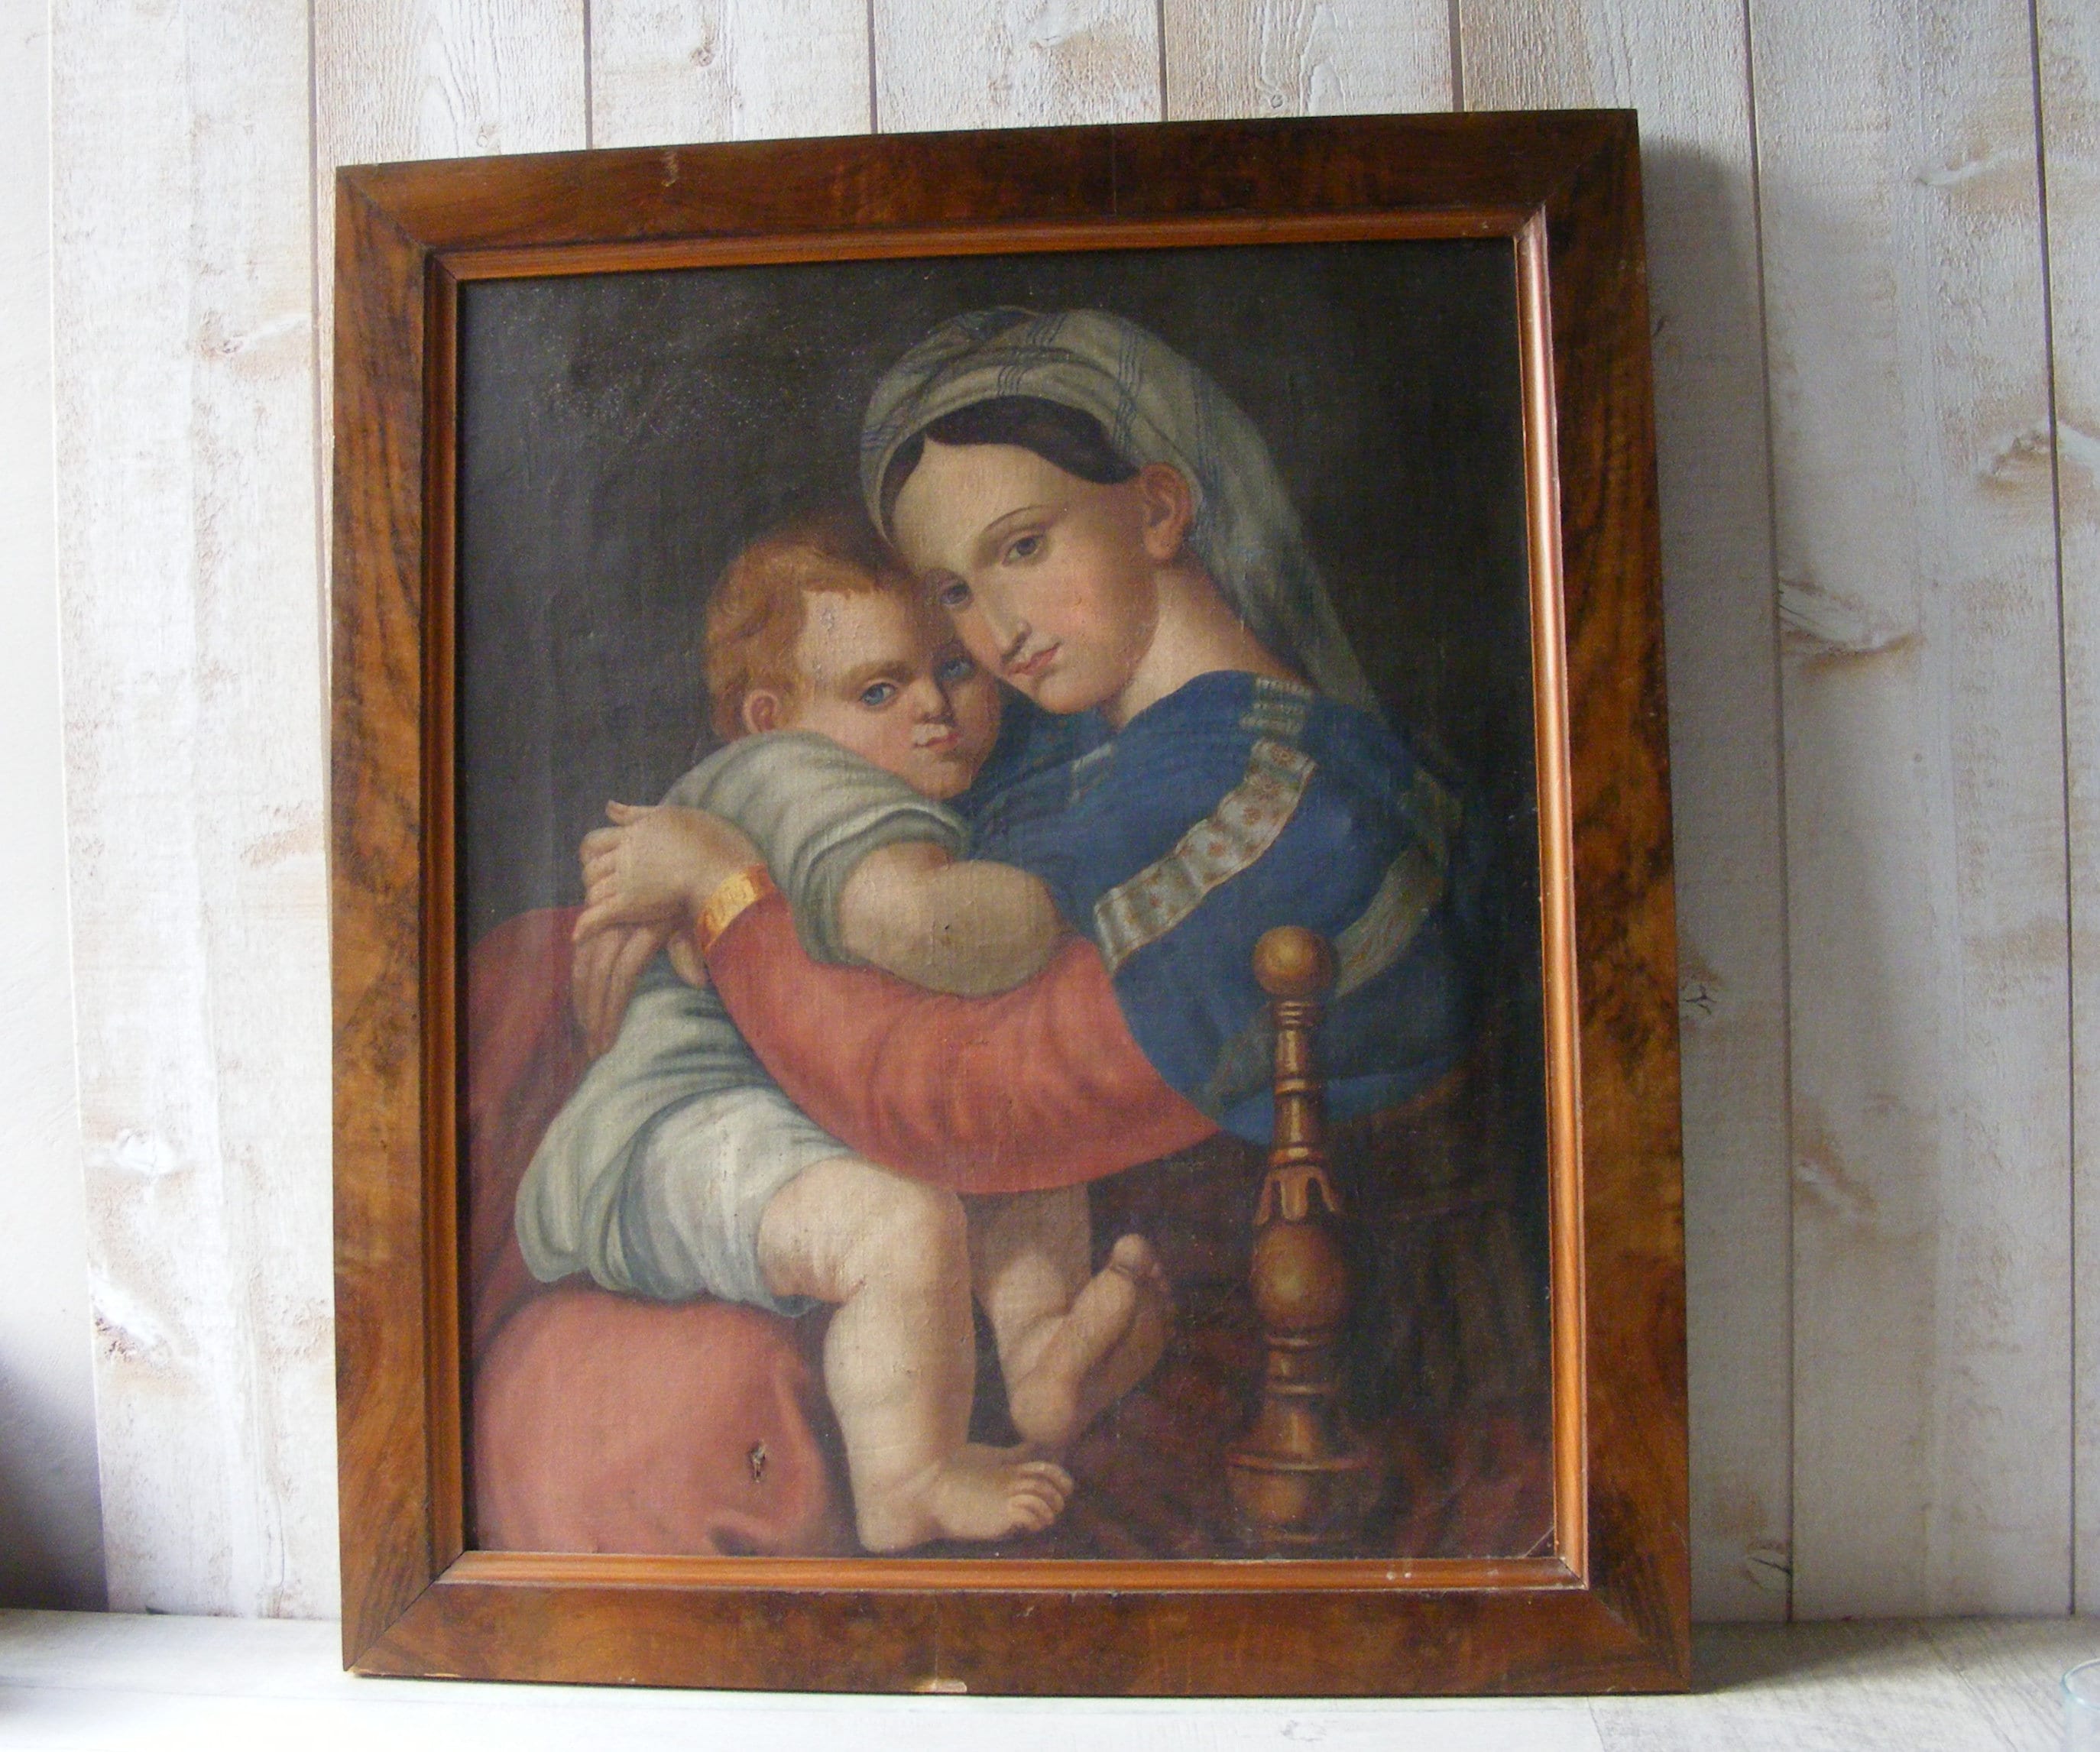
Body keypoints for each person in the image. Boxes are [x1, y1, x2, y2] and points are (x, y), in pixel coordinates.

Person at [588, 309, 1477, 1188]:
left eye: (1023, 546)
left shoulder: (1267, 806)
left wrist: (722, 889)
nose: (1000, 630)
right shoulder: (1084, 751)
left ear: (1158, 508)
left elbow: (965, 1104)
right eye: (955, 591)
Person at [519, 510, 1171, 1553]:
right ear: (770, 718)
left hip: (805, 1115)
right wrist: (1052, 906)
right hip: (686, 1134)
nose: (933, 707)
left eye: (953, 670)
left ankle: (1040, 1347)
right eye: (879, 690)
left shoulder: (897, 790)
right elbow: (923, 924)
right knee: (901, 1224)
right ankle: (908, 1480)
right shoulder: (793, 778)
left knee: (1009, 1139)